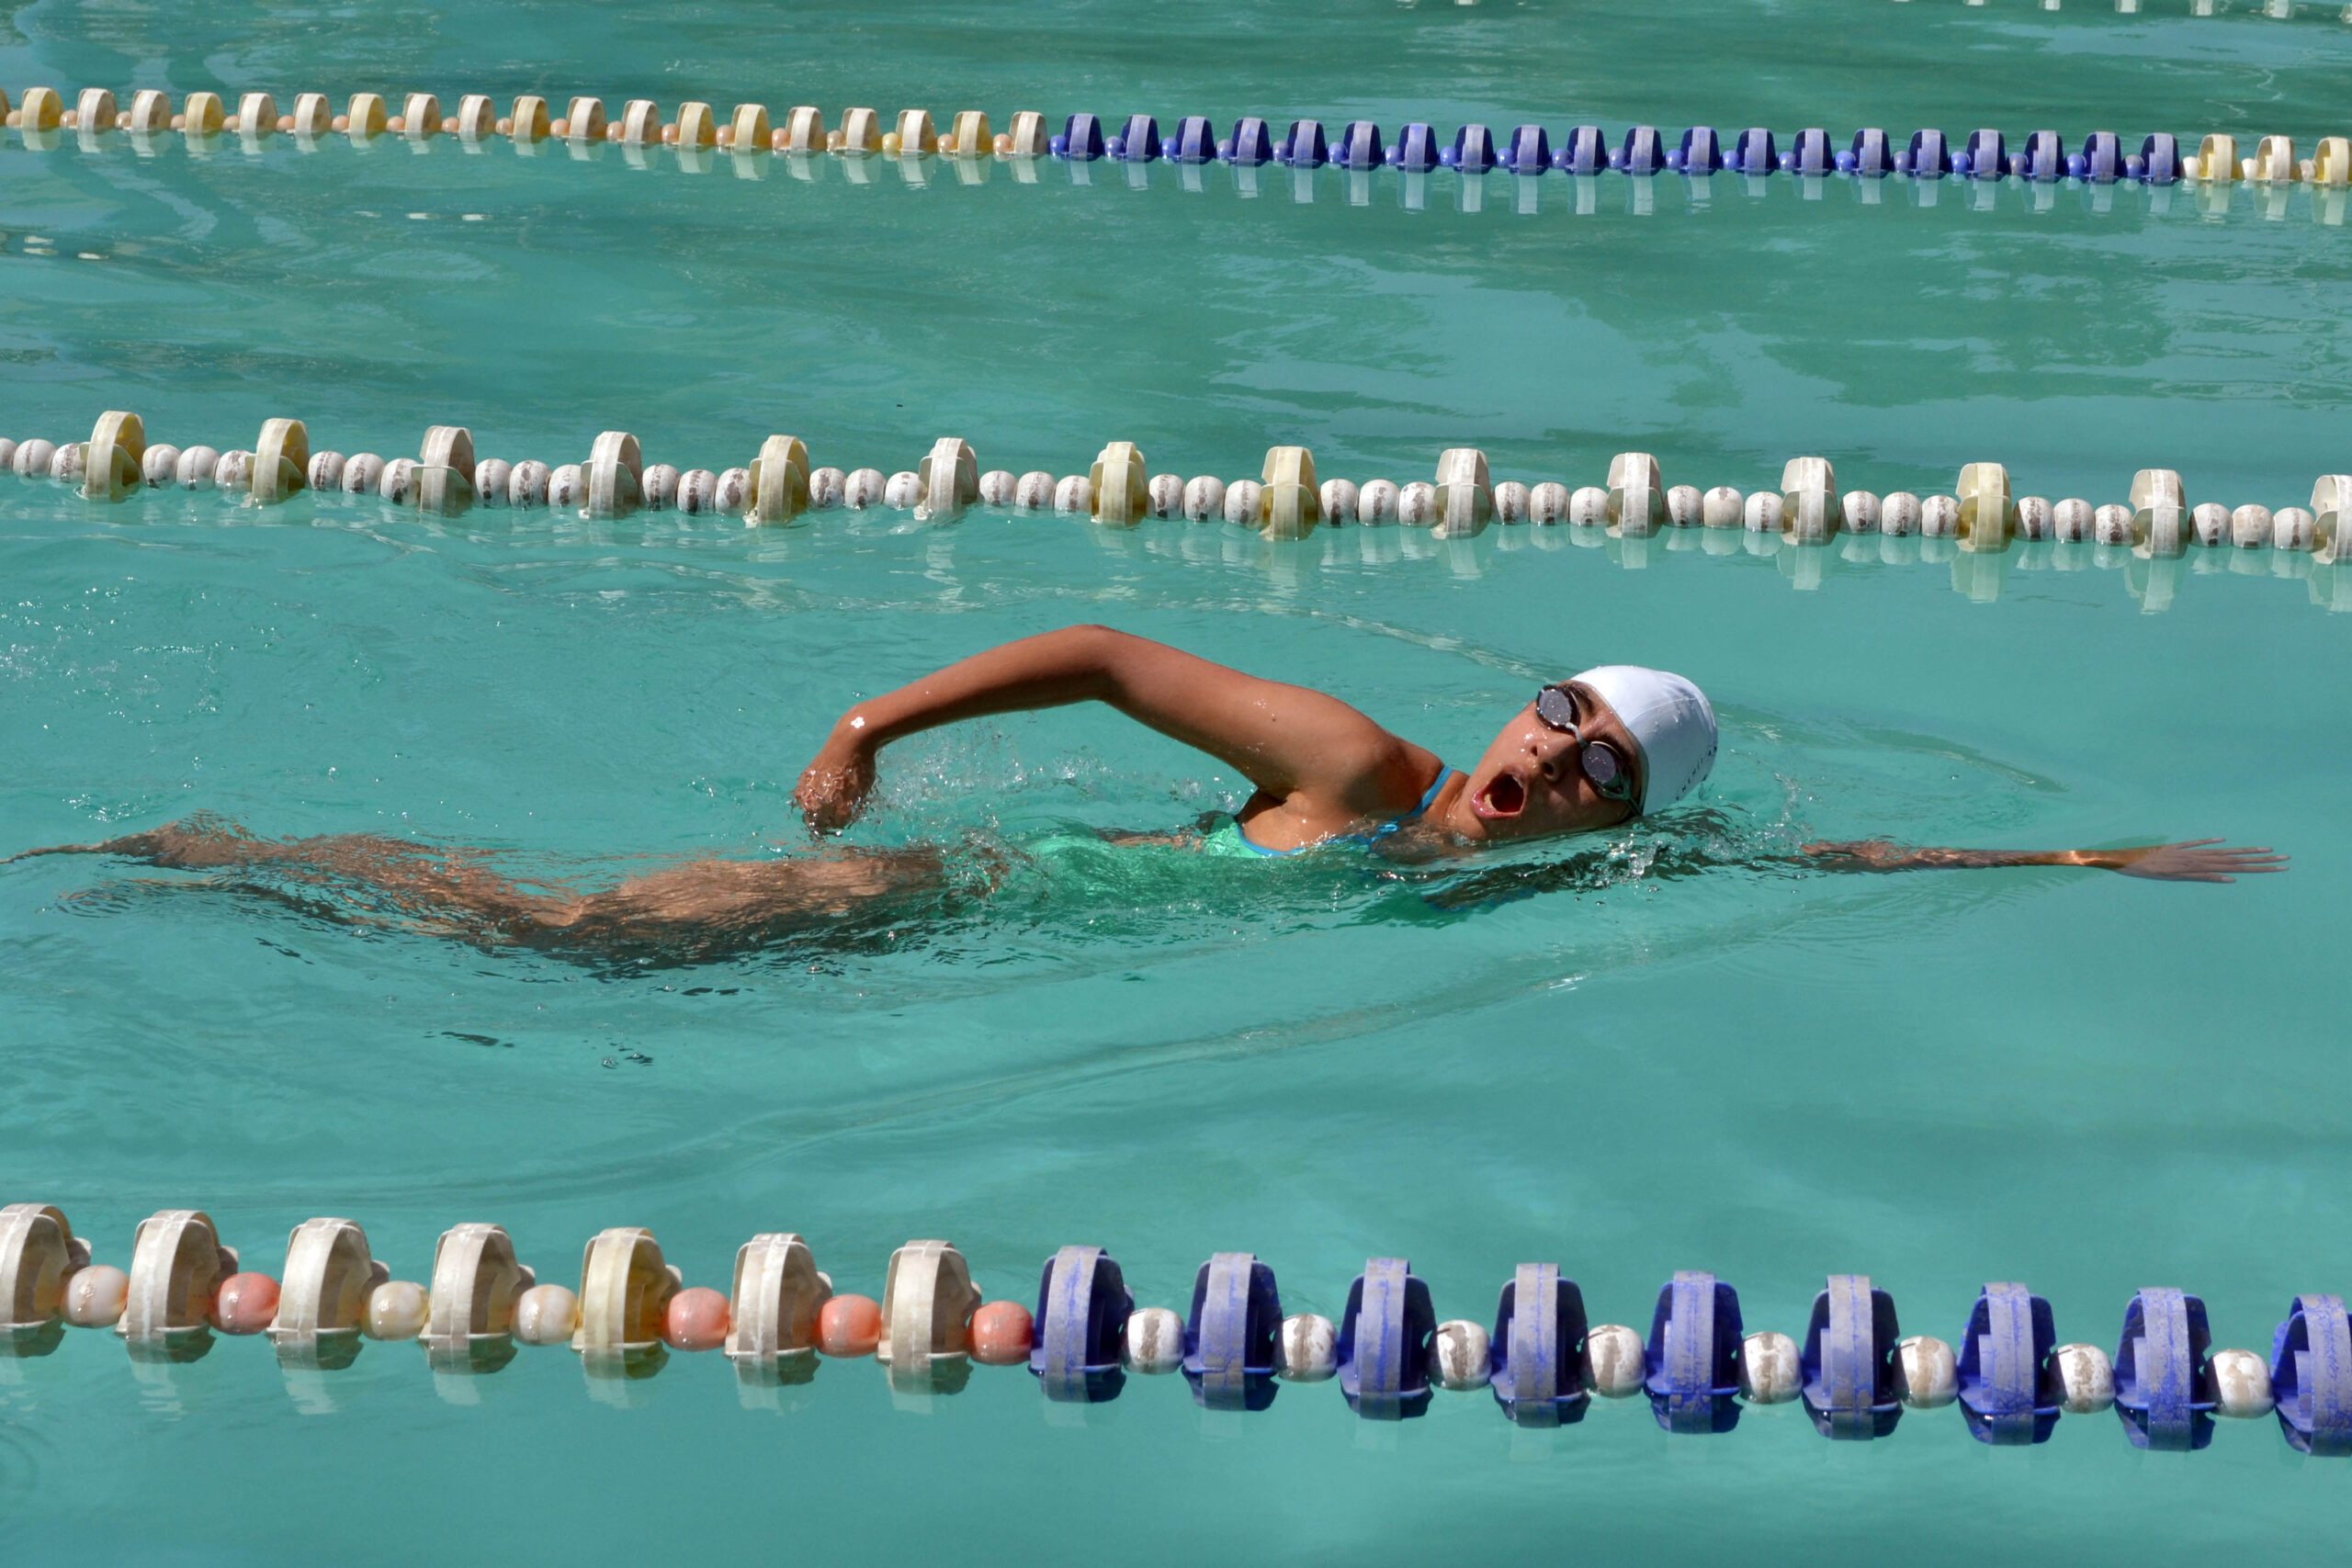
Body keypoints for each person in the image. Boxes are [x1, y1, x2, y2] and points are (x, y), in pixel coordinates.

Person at [6, 625, 2286, 959]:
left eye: (1589, 765)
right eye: (1549, 717)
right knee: (557, 931)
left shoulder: (1560, 882)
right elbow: (1103, 655)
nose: (1545, 760)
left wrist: (2079, 846)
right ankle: (207, 857)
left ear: (1616, 816)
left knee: (561, 949)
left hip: (978, 951)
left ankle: (227, 869)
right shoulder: (1362, 768)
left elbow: (1820, 854)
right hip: (950, 893)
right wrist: (870, 729)